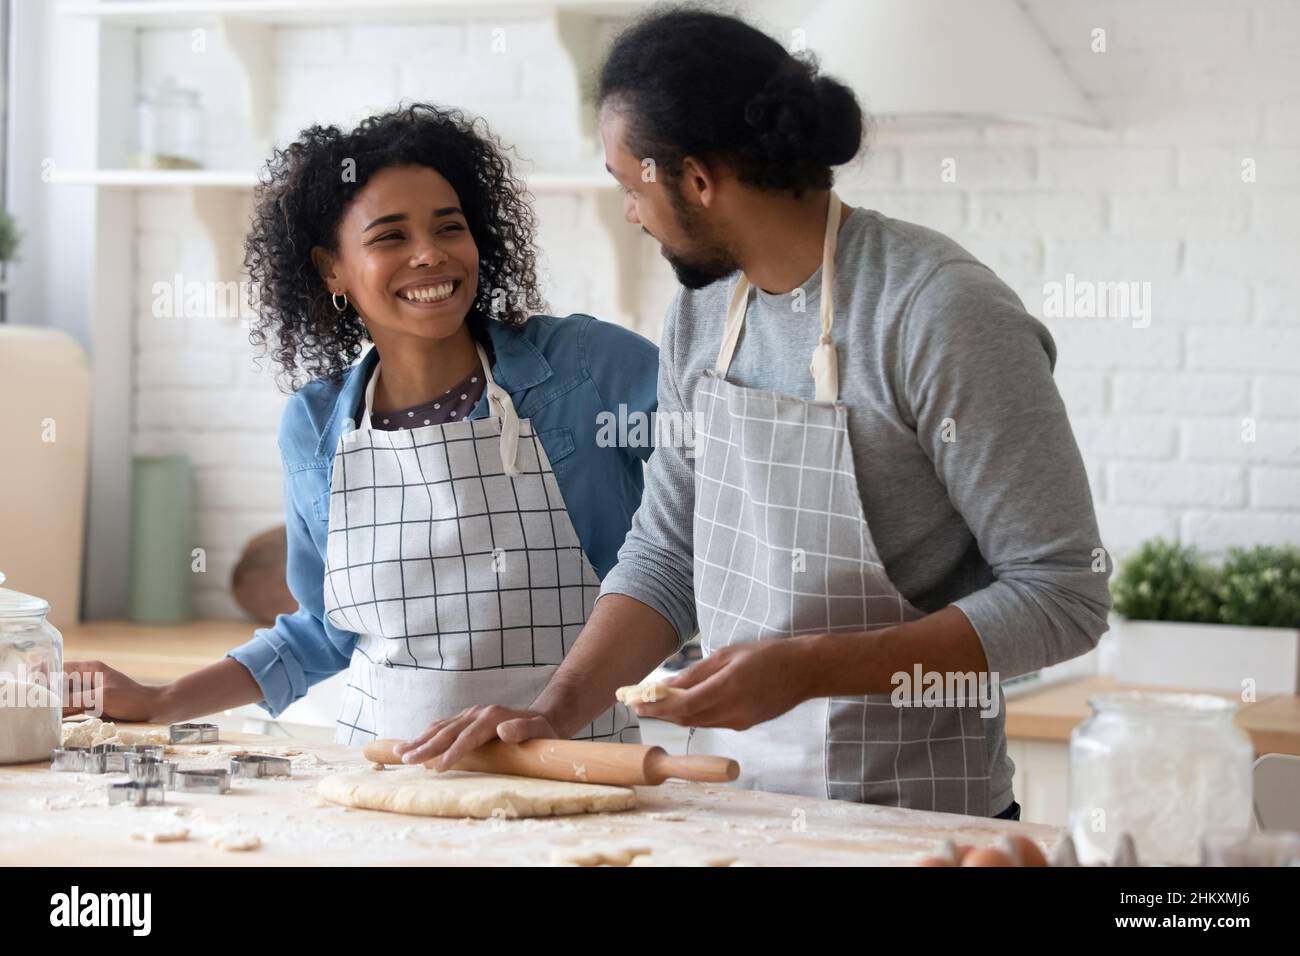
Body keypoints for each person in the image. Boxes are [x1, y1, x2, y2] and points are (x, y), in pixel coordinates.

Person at [408, 11, 1111, 820]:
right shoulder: (701, 317)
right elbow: (668, 553)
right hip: (736, 807)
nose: (631, 213)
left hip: (920, 818)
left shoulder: (938, 313)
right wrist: (555, 708)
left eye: (630, 184)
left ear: (699, 179)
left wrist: (809, 667)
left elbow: (1064, 596)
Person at [63, 104, 659, 746]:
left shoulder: (585, 369)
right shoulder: (316, 426)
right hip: (386, 772)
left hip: (581, 764)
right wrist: (160, 700)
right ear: (331, 269)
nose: (430, 255)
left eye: (449, 228)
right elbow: (324, 629)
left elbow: (726, 487)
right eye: (390, 237)